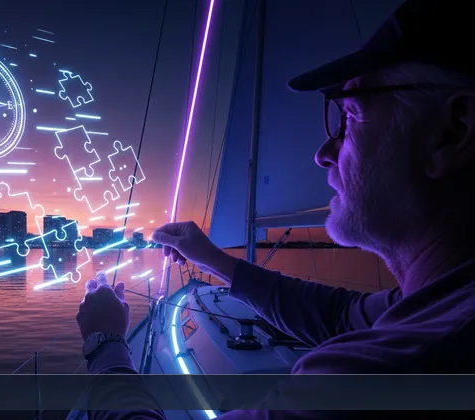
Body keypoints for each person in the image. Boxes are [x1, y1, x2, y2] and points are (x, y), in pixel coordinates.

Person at [76, 0, 475, 418]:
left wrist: (105, 342)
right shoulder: (437, 301)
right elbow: (341, 315)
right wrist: (214, 260)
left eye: (351, 117)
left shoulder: (388, 372)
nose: (323, 153)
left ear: (452, 132)